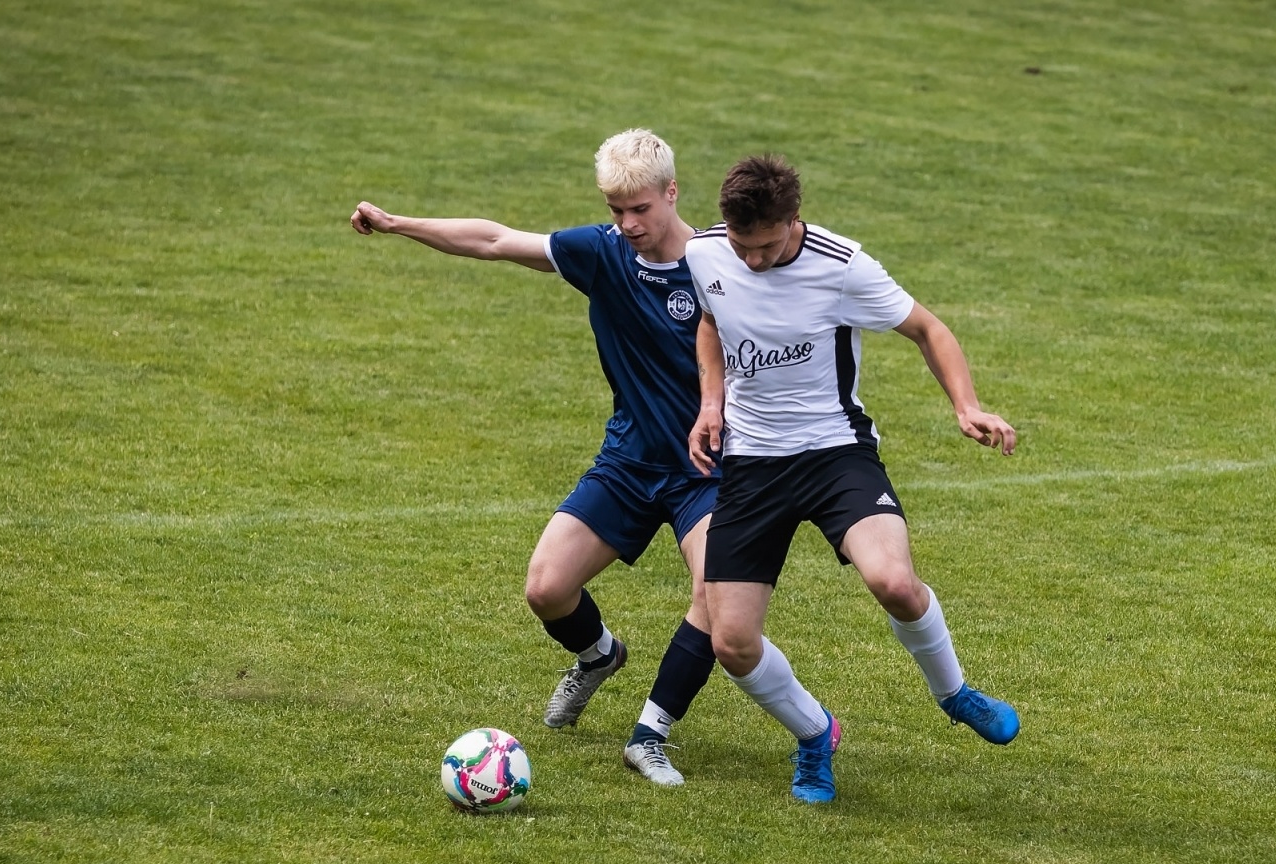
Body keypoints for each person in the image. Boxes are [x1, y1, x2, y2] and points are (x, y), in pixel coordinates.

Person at [351, 129, 717, 786]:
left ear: (671, 192)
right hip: (630, 462)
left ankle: (650, 733)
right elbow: (495, 240)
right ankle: (599, 655)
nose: (628, 224)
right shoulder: (603, 254)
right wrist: (397, 223)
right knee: (546, 588)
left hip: (709, 470)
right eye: (615, 210)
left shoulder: (721, 264)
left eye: (640, 208)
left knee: (717, 594)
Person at [684, 154, 1021, 804]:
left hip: (835, 454)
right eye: (740, 246)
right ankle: (815, 734)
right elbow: (710, 322)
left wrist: (966, 404)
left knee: (893, 580)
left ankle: (955, 694)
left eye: (764, 246)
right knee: (731, 642)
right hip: (753, 465)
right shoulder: (707, 254)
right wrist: (711, 403)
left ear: (792, 221)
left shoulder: (842, 266)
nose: (751, 260)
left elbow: (927, 328)